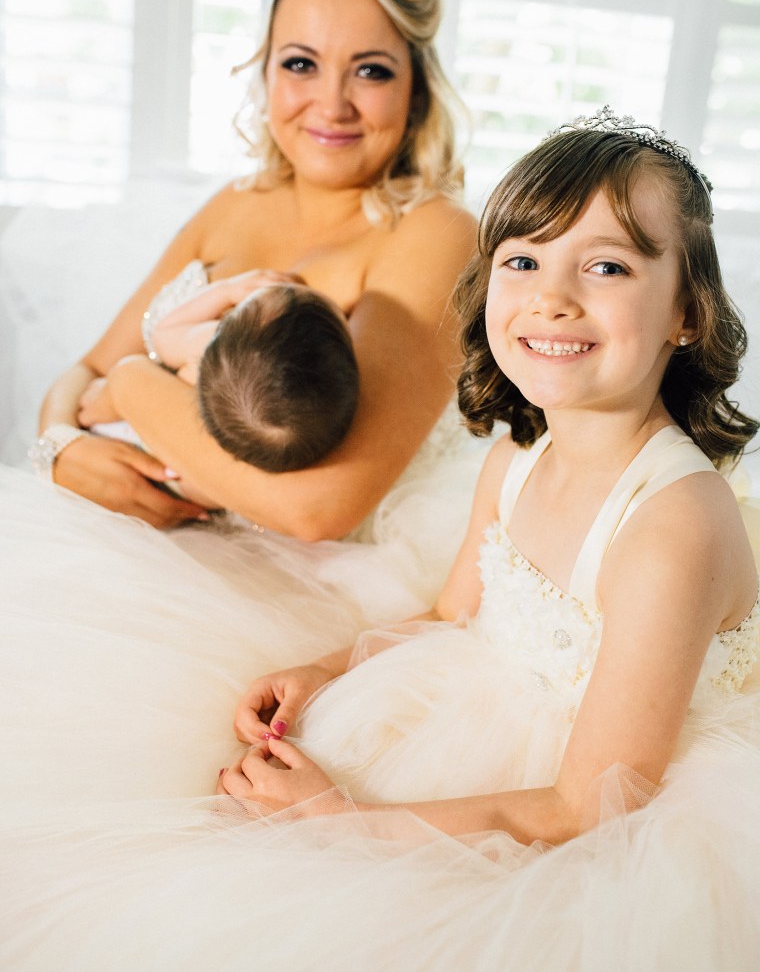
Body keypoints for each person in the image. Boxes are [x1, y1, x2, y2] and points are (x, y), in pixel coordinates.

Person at [2, 108, 759, 971]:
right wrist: (327, 668)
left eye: (608, 265)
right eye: (522, 260)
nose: (552, 296)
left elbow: (593, 808)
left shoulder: (672, 528)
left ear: (687, 314)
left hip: (593, 811)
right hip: (502, 732)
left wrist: (345, 825)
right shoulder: (521, 456)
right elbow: (454, 615)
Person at [30, 0, 477, 542]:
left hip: (302, 583)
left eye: (371, 71)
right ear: (265, 72)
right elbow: (85, 370)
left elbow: (318, 508)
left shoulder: (436, 234)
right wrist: (60, 447)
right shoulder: (236, 203)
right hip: (140, 549)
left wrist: (133, 389)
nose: (332, 104)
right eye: (301, 63)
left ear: (416, 91)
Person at [77, 268, 360, 504]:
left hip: (127, 435)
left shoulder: (208, 343)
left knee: (90, 405)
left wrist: (225, 291)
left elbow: (163, 334)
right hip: (186, 483)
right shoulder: (301, 425)